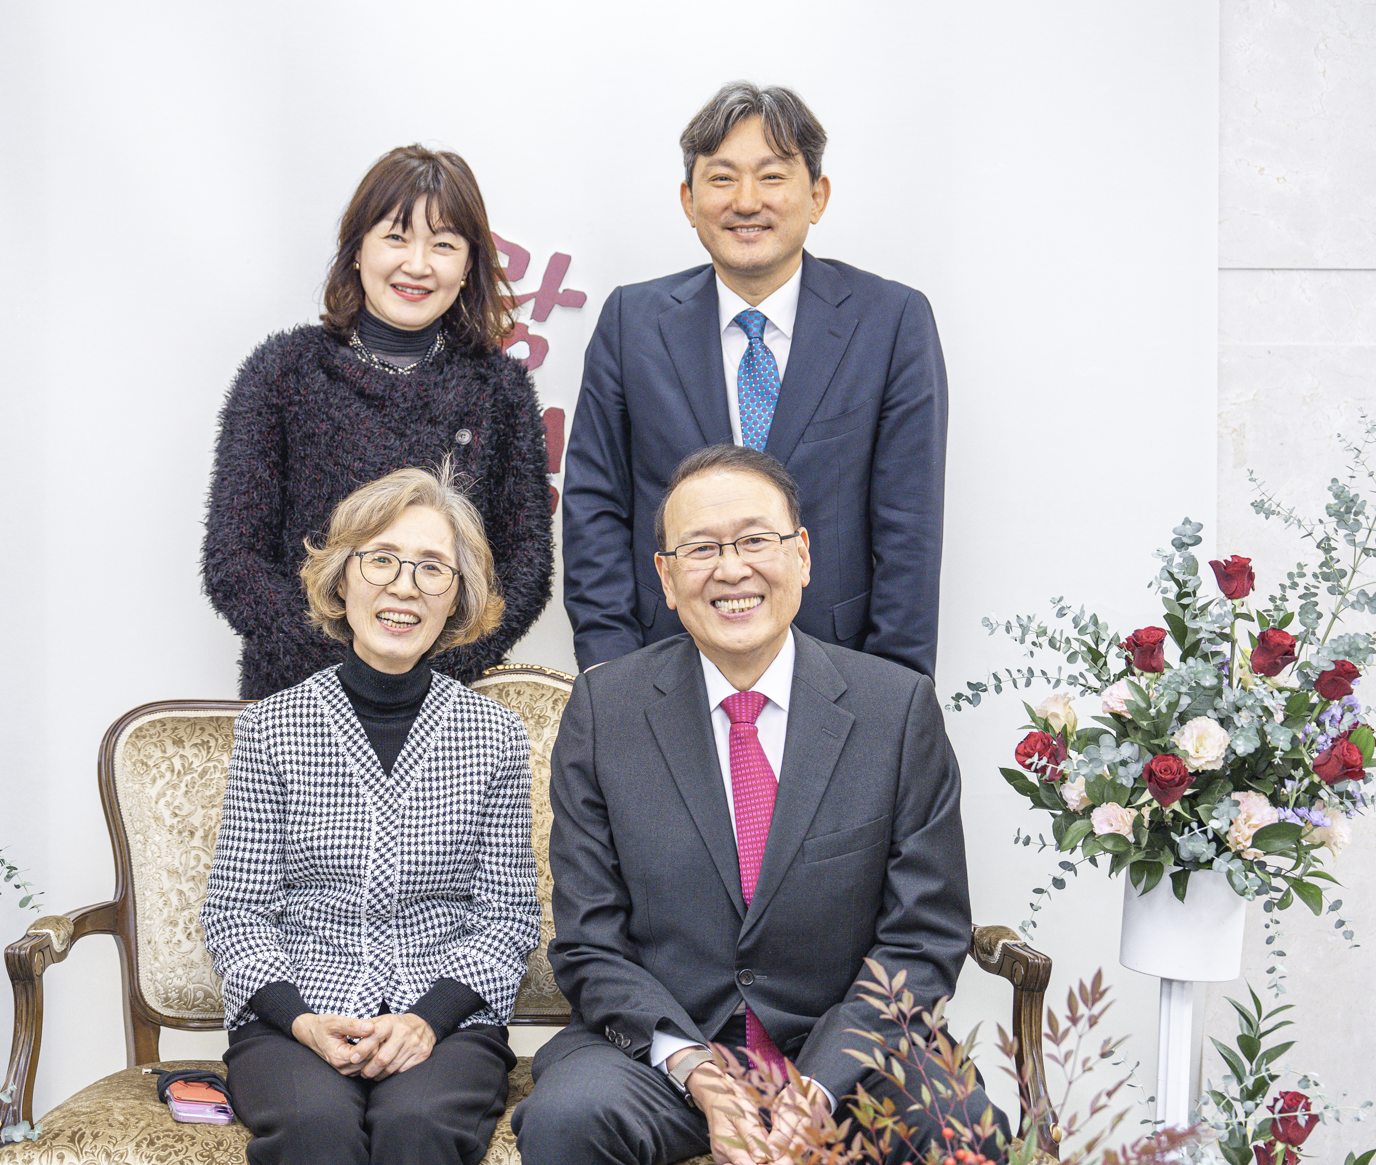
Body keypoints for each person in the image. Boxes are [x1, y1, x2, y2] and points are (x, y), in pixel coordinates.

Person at [512, 445, 1002, 1165]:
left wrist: (821, 1085)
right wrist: (699, 1073)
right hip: (671, 1056)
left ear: (801, 555)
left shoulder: (895, 709)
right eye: (701, 548)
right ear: (666, 578)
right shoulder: (605, 710)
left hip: (849, 1055)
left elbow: (923, 937)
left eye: (754, 540)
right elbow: (591, 942)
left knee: (958, 1121)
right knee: (568, 1115)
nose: (732, 569)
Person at [201, 464, 542, 1165]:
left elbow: (507, 918)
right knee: (314, 1126)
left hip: (446, 1018)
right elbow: (236, 912)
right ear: (341, 579)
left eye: (432, 568)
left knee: (418, 1124)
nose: (404, 587)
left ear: (457, 597)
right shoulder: (272, 728)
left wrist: (425, 1020)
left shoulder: (496, 735)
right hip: (295, 1014)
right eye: (381, 559)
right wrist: (302, 1021)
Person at [561, 81, 947, 678]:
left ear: (816, 196)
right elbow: (595, 506)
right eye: (721, 178)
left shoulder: (891, 322)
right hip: (661, 666)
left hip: (841, 669)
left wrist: (896, 692)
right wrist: (612, 673)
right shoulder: (629, 322)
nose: (746, 201)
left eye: (771, 176)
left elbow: (910, 528)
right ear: (689, 200)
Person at [203, 144, 554, 700]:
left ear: (468, 267)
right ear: (357, 249)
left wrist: (427, 669)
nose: (417, 264)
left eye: (443, 244)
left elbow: (525, 563)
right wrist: (351, 671)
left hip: (446, 702)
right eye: (396, 237)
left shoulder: (501, 389)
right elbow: (234, 559)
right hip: (296, 698)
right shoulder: (281, 371)